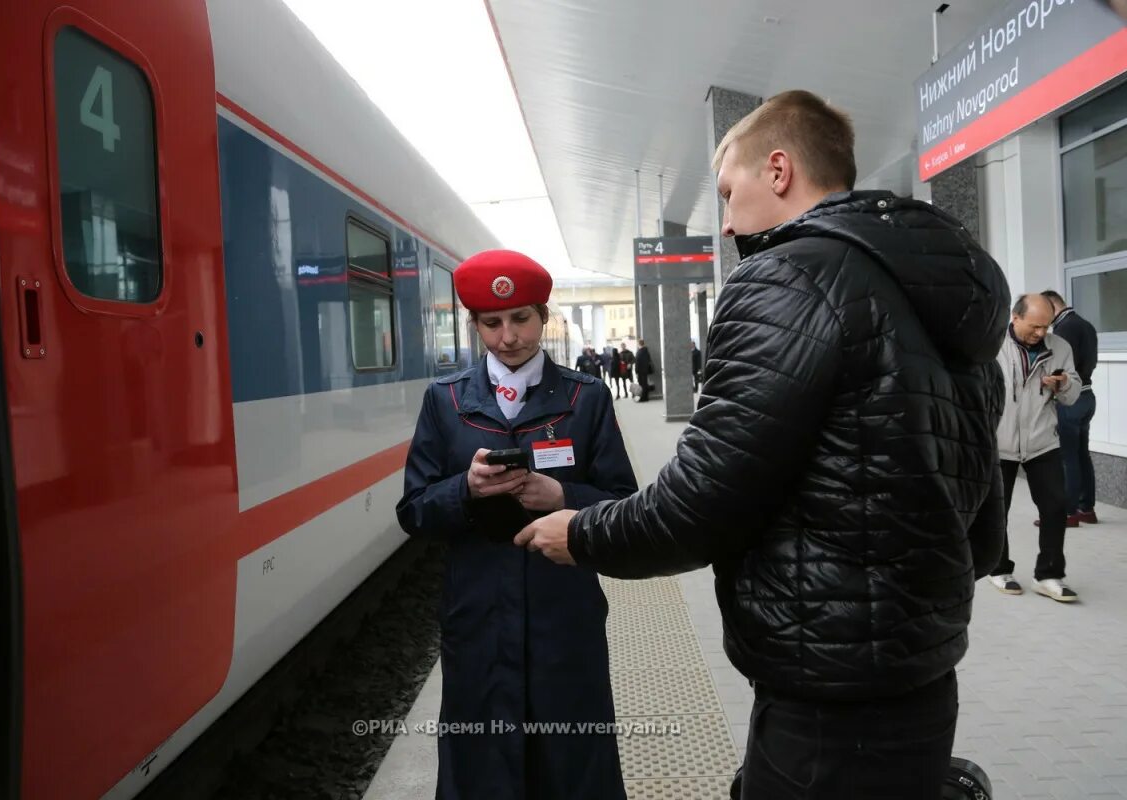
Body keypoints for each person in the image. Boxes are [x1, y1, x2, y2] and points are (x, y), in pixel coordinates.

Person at [514, 90, 1008, 799]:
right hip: (923, 667)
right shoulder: (945, 292)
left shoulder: (787, 277)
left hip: (826, 690)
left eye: (727, 191)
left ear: (778, 170)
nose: (722, 221)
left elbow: (701, 504)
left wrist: (583, 533)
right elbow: (985, 535)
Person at [396, 249, 637, 800]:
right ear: (475, 324)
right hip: (478, 617)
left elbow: (624, 505)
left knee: (573, 759)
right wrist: (466, 489)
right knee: (482, 763)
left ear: (543, 316)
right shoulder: (445, 402)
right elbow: (414, 511)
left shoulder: (585, 398)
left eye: (521, 318)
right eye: (492, 322)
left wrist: (563, 495)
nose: (508, 337)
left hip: (564, 615)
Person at [988, 294, 1082, 602]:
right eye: (1035, 326)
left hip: (1042, 442)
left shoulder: (1061, 348)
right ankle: (999, 569)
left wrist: (1065, 382)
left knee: (1056, 508)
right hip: (999, 444)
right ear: (1015, 318)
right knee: (997, 511)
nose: (1042, 333)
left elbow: (1072, 394)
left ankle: (1049, 575)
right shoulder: (990, 344)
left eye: (1046, 326)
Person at [1042, 289, 1099, 525]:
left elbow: (1060, 368)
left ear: (1052, 306)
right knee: (1081, 453)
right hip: (1088, 397)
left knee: (1067, 457)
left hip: (1071, 397)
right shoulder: (1086, 325)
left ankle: (1068, 513)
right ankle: (1087, 509)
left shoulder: (1063, 329)